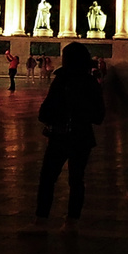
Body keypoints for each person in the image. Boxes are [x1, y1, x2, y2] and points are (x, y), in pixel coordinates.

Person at [34, 42, 106, 232]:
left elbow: (46, 110)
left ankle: (41, 221)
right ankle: (72, 222)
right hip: (82, 137)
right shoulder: (91, 82)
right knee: (76, 180)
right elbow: (99, 115)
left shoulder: (61, 80)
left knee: (48, 178)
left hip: (60, 135)